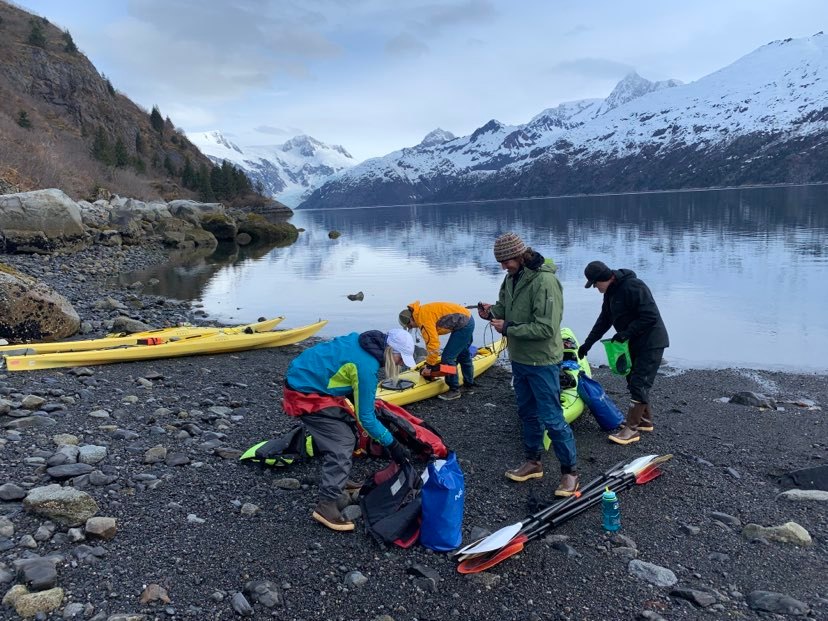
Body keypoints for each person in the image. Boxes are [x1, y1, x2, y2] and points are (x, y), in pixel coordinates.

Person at [282, 328, 416, 531]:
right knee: (342, 443)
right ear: (390, 352)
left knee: (349, 426)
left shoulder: (365, 342)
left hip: (308, 377)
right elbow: (367, 419)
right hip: (304, 391)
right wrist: (393, 445)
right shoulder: (366, 367)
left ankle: (340, 479)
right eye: (400, 359)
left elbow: (345, 375)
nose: (400, 364)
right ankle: (326, 505)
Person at [478, 232, 579, 497]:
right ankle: (533, 462)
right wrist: (493, 312)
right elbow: (505, 306)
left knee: (553, 418)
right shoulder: (512, 277)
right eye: (500, 262)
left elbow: (547, 328)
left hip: (543, 361)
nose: (503, 266)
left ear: (520, 255)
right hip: (520, 360)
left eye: (506, 261)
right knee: (527, 414)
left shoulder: (545, 281)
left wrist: (509, 327)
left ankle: (570, 474)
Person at [577, 261, 669, 445]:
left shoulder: (634, 286)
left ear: (605, 278)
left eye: (595, 284)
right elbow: (604, 320)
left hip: (651, 342)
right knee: (632, 379)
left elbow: (650, 316)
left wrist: (626, 333)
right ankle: (644, 421)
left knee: (639, 382)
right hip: (633, 343)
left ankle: (631, 430)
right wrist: (587, 344)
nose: (596, 288)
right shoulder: (611, 293)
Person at [398, 301, 476, 401]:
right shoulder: (420, 312)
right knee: (463, 354)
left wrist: (429, 366)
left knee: (447, 359)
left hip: (463, 325)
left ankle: (454, 390)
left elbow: (433, 345)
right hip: (467, 319)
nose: (412, 328)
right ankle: (469, 386)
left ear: (411, 320)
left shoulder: (423, 320)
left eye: (410, 326)